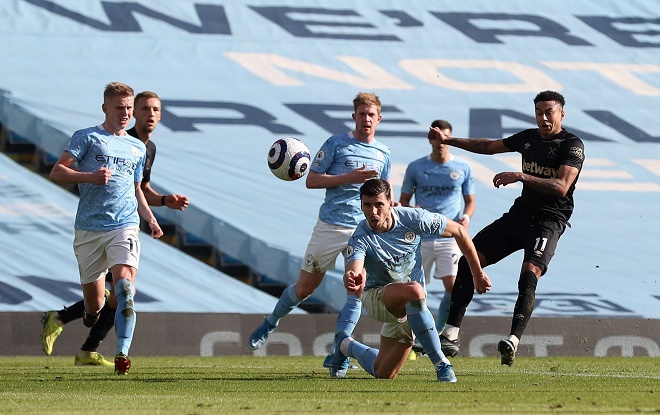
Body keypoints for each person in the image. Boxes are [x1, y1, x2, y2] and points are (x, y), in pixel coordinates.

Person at [429, 90, 585, 366]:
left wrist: (522, 175)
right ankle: (451, 332)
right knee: (470, 257)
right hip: (520, 216)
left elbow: (561, 187)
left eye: (550, 112)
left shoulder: (572, 145)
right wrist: (449, 140)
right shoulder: (528, 138)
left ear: (562, 113)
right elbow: (488, 146)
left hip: (549, 221)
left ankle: (512, 340)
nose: (544, 118)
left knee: (529, 275)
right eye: (539, 112)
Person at [248, 92, 394, 376]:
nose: (366, 119)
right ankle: (271, 321)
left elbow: (385, 194)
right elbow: (312, 180)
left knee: (356, 289)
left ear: (379, 118)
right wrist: (347, 178)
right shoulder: (337, 144)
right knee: (304, 289)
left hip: (362, 231)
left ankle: (337, 354)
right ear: (354, 117)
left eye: (371, 114)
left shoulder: (384, 153)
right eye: (361, 114)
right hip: (330, 225)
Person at [41, 91, 190, 367]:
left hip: (125, 225)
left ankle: (119, 353)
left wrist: (155, 215)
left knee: (125, 288)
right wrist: (90, 177)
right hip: (89, 229)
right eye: (141, 109)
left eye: (152, 109)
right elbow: (57, 172)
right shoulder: (89, 137)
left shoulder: (142, 148)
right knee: (98, 304)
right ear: (106, 108)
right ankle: (70, 322)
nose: (146, 114)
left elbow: (137, 190)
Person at [330, 179, 489, 382]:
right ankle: (441, 363)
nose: (373, 212)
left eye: (378, 204)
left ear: (390, 202)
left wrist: (477, 272)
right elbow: (355, 268)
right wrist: (351, 277)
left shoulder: (414, 219)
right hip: (378, 299)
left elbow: (458, 231)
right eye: (367, 205)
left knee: (384, 373)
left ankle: (345, 345)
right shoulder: (360, 237)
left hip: (409, 306)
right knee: (414, 290)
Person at [400, 119, 475, 336]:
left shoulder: (463, 167)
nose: (440, 142)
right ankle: (411, 336)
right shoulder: (416, 167)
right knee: (413, 290)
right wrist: (410, 209)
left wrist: (466, 217)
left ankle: (439, 332)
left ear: (450, 138)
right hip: (420, 236)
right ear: (429, 138)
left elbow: (470, 201)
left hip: (448, 236)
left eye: (445, 137)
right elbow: (403, 200)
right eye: (435, 137)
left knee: (452, 287)